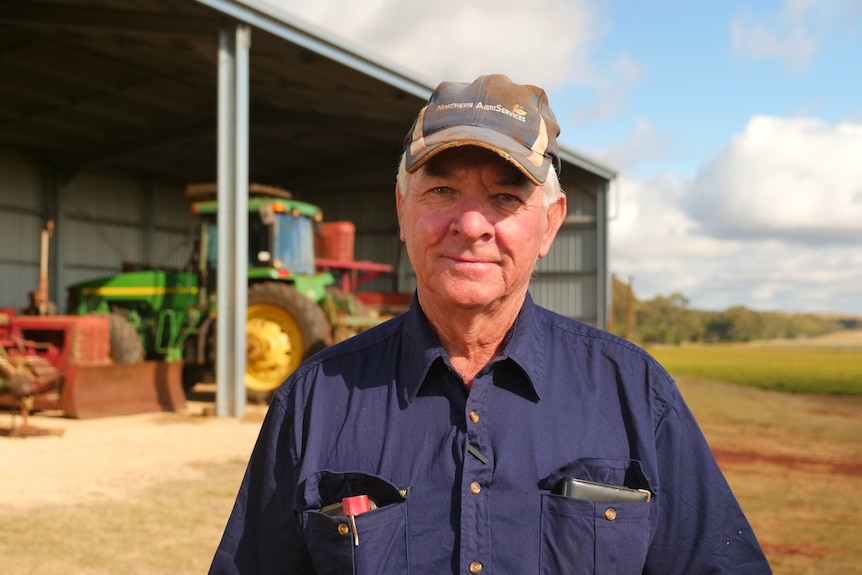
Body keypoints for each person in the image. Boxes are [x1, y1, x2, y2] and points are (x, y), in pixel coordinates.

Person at [210, 74, 772, 574]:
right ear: (403, 210)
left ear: (549, 226)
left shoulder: (636, 394)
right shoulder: (315, 401)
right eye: (442, 191)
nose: (472, 224)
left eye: (505, 197)